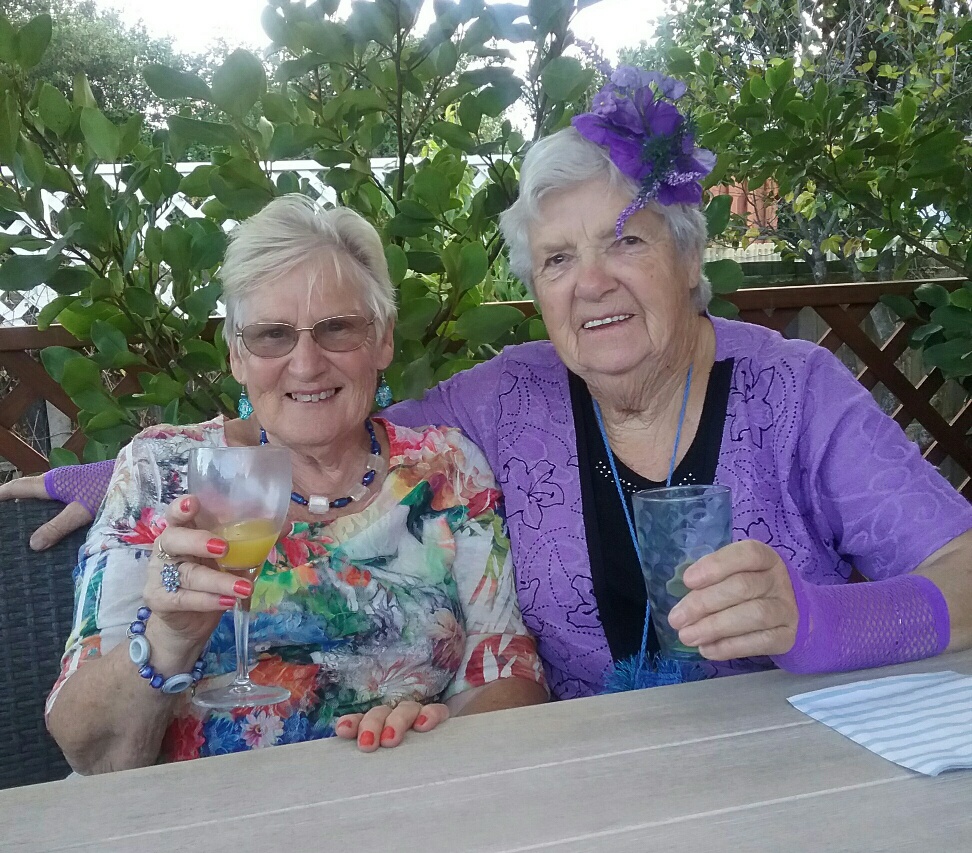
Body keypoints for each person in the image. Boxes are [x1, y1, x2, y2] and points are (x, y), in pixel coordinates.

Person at [9, 68, 972, 703]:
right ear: (538, 292)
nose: (589, 282)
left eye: (623, 242)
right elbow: (323, 413)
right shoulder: (509, 398)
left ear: (687, 258)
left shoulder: (796, 391)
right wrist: (116, 474)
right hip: (581, 790)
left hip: (803, 766)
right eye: (556, 260)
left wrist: (816, 618)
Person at [36, 195, 546, 774]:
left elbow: (511, 679)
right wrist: (169, 638)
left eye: (337, 329)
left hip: (398, 805)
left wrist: (437, 729)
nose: (306, 364)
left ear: (381, 341)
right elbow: (88, 749)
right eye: (272, 335)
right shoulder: (162, 471)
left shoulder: (447, 468)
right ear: (236, 356)